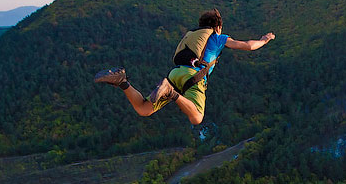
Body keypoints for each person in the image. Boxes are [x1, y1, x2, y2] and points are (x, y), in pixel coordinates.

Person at [94, 9, 274, 125]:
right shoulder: (217, 37)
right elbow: (248, 45)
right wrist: (265, 40)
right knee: (197, 118)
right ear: (217, 26)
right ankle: (169, 92)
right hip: (193, 76)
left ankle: (122, 81)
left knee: (144, 109)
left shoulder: (192, 35)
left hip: (175, 73)